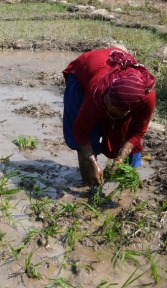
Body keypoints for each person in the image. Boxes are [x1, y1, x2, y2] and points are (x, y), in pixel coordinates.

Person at [62, 47, 157, 186]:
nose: (106, 110)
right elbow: (81, 131)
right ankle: (89, 184)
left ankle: (128, 183)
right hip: (85, 70)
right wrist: (92, 162)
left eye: (113, 110)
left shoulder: (146, 99)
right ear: (107, 92)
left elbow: (137, 132)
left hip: (120, 92)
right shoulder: (98, 91)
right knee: (86, 139)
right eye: (106, 104)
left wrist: (120, 159)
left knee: (127, 132)